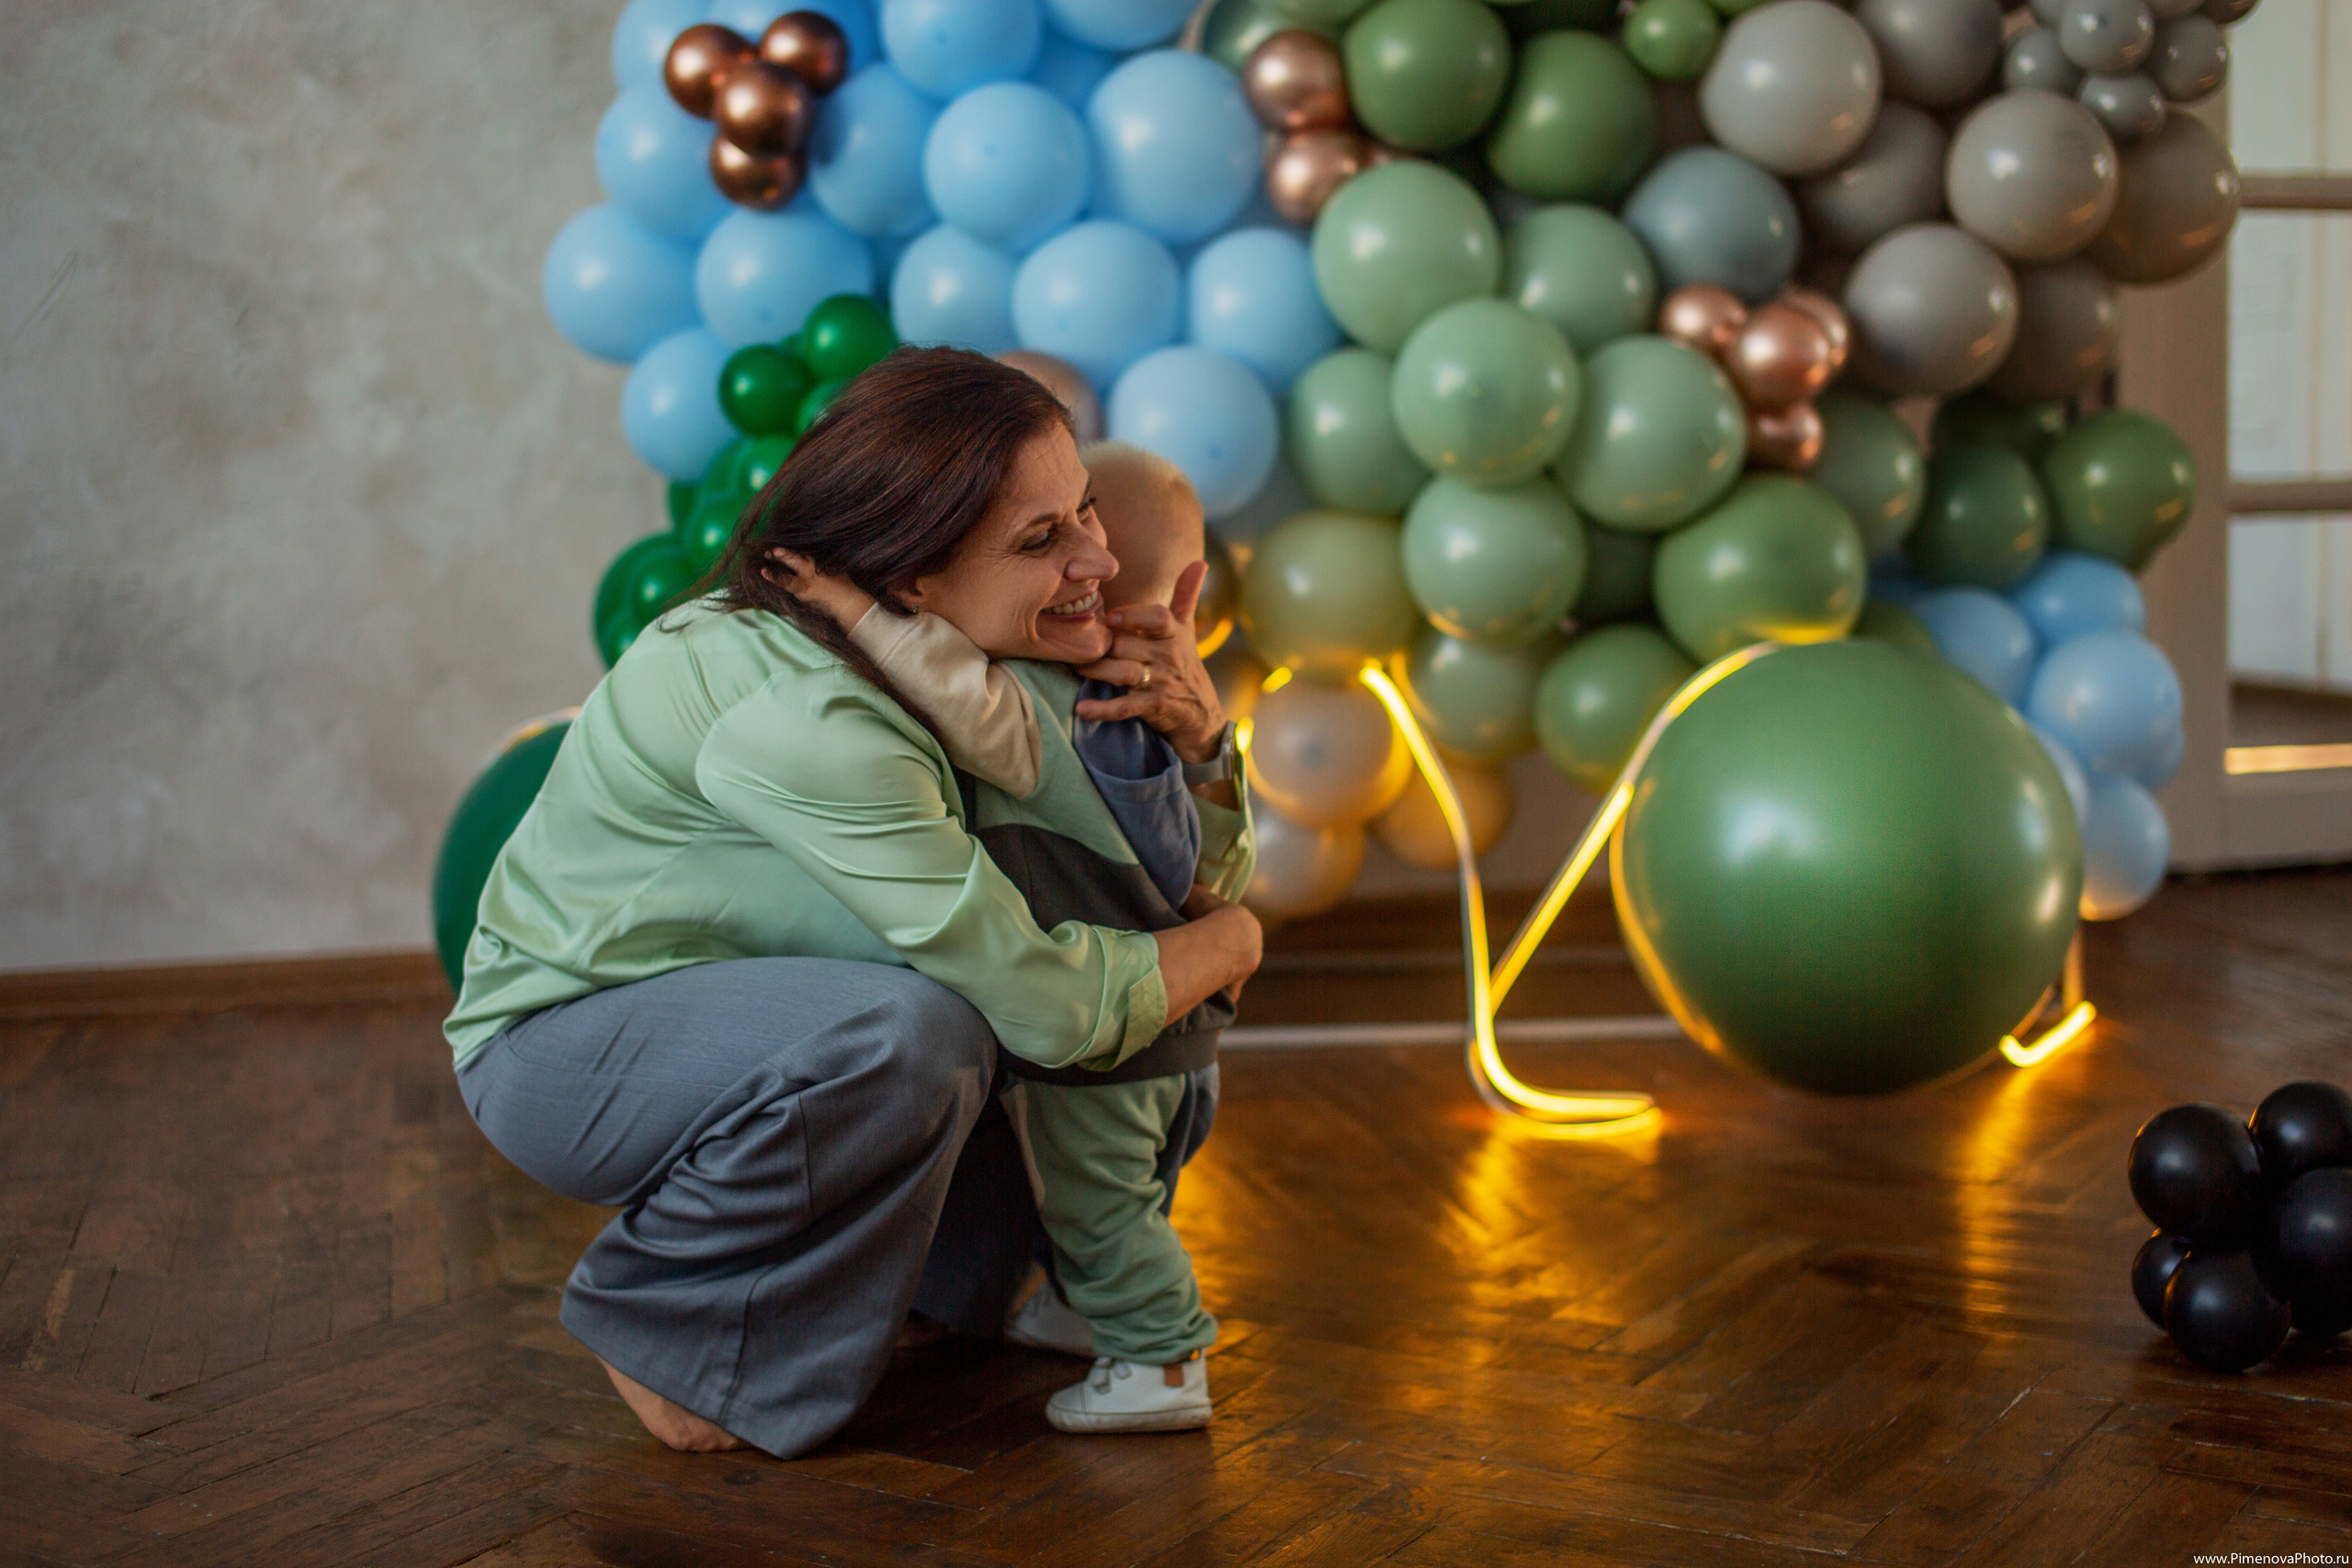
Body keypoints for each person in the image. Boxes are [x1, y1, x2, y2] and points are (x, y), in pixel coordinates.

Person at [444, 348, 1261, 1458]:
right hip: (568, 1044)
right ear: (908, 579)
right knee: (927, 1026)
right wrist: (1236, 943)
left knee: (1115, 1044)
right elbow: (1050, 1003)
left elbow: (1140, 878)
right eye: (1043, 541)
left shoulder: (972, 667)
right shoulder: (806, 719)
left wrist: (1204, 750)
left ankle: (935, 1295)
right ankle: (667, 1333)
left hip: (783, 1008)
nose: (1098, 560)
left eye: (1083, 514)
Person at [834, 442, 1238, 1432]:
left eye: (1083, 526)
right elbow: (1215, 879)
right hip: (1188, 1043)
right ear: (1191, 585)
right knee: (1116, 1194)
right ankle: (1072, 1307)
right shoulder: (1160, 720)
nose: (1077, 562)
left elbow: (936, 675)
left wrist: (855, 602)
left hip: (1110, 1033)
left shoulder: (1045, 699)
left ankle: (1160, 1358)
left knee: (1099, 1206)